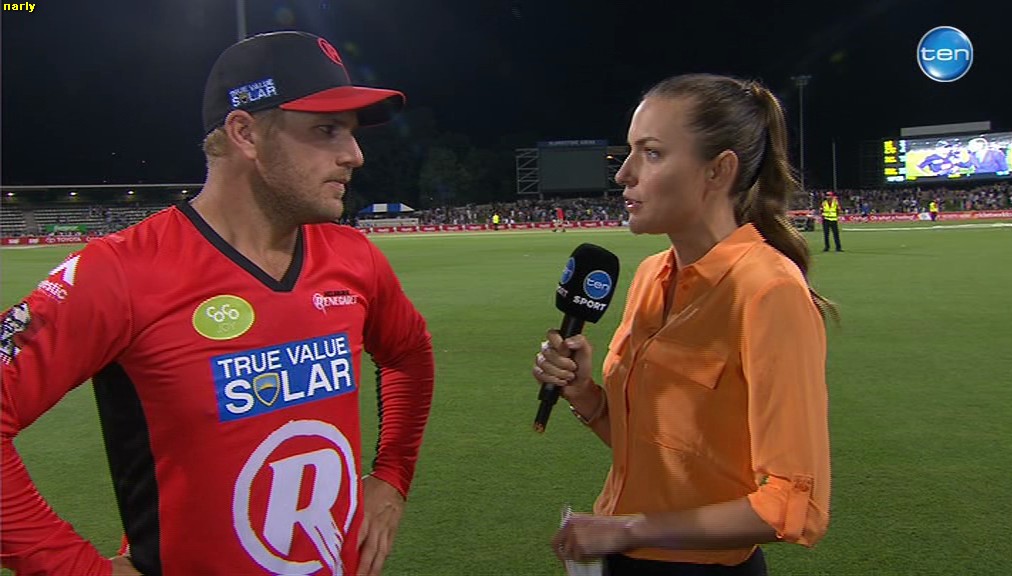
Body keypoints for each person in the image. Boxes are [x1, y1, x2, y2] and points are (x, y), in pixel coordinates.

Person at [1, 31, 435, 576]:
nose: (354, 155)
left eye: (350, 132)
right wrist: (77, 570)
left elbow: (409, 352)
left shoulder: (354, 256)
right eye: (327, 130)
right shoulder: (121, 272)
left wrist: (392, 475)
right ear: (245, 133)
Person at [532, 73, 834, 575]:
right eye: (630, 152)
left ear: (718, 170)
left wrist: (629, 529)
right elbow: (664, 454)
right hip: (618, 560)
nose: (623, 174)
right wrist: (585, 395)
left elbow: (794, 506)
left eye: (651, 153)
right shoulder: (650, 276)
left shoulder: (768, 292)